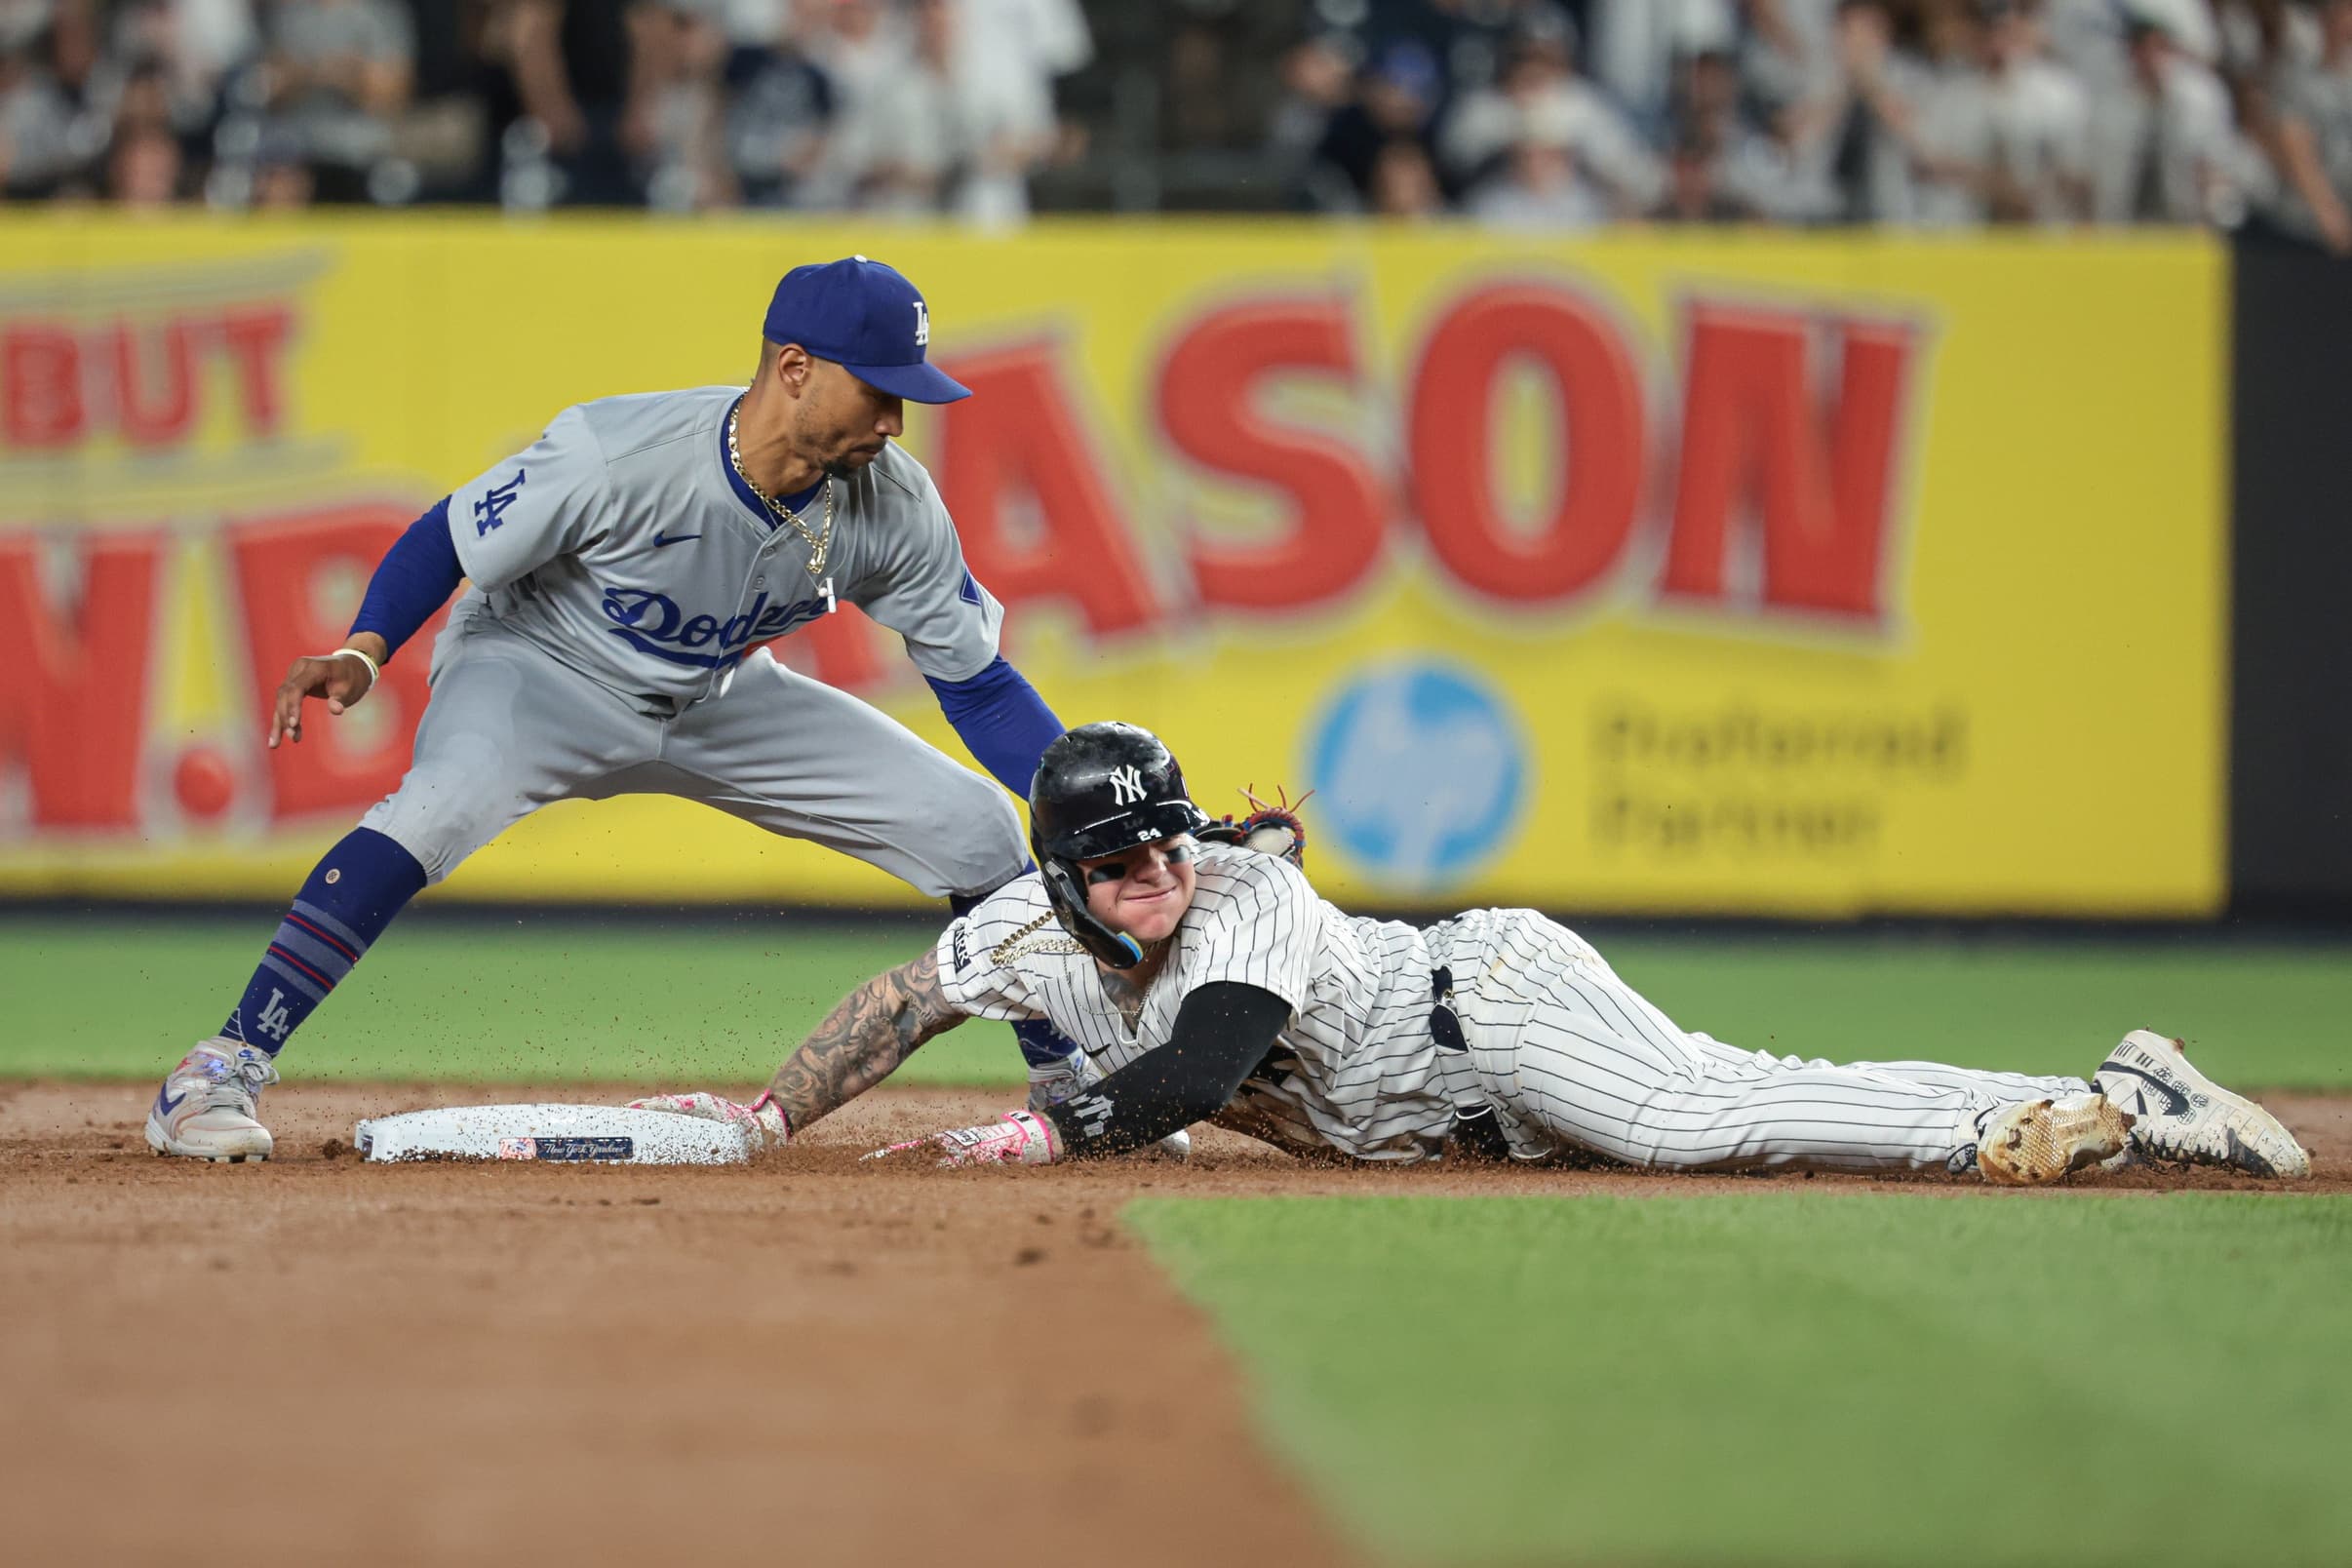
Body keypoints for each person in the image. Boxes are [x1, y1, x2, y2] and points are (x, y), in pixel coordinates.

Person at [144, 256, 1104, 1162]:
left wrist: (1088, 801)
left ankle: (1073, 1085)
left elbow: (976, 682)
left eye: (908, 395)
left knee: (976, 828)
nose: (896, 420)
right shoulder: (622, 452)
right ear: (797, 369)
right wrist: (367, 644)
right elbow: (452, 528)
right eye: (879, 390)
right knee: (428, 811)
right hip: (537, 668)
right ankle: (218, 1069)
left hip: (713, 692)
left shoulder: (893, 504)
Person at [636, 723, 2313, 1187]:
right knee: (1718, 1110)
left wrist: (1031, 1132)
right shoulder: (1021, 926)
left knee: (1699, 1115)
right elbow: (895, 1000)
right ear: (1063, 874)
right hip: (1454, 1118)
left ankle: (2097, 1097)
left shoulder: (1239, 899)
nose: (1157, 865)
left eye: (1168, 836)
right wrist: (776, 1114)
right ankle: (2109, 1089)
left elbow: (1205, 1067)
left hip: (1483, 1011)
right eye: (1119, 855)